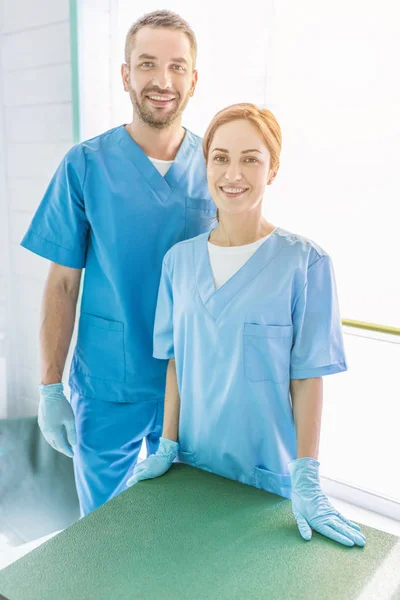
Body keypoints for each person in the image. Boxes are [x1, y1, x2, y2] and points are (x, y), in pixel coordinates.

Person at [126, 103, 366, 548]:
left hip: (265, 481)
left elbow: (307, 379)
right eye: (220, 157)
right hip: (192, 472)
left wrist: (307, 476)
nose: (232, 173)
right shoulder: (178, 262)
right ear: (206, 165)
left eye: (250, 158)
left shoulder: (305, 263)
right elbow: (176, 360)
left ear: (272, 169)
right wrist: (167, 444)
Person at [20, 10, 216, 517]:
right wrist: (49, 387)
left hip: (192, 387)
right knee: (105, 534)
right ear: (126, 74)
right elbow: (62, 284)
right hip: (110, 385)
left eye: (177, 67)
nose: (162, 80)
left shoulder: (218, 168)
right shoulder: (85, 165)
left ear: (193, 79)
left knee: (183, 529)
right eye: (147, 64)